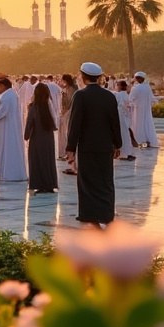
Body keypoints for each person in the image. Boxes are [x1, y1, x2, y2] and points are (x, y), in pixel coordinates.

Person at [65, 62, 122, 228]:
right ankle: (106, 214)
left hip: (87, 147)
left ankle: (90, 215)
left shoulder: (81, 96)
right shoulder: (109, 96)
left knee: (87, 182)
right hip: (105, 147)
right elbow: (115, 123)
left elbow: (75, 124)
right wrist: (117, 144)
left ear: (83, 76)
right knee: (105, 182)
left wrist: (70, 148)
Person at [0, 77, 28, 182]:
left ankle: (8, 174)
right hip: (12, 127)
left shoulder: (5, 97)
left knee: (6, 149)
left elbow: (0, 113)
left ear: (3, 86)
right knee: (13, 148)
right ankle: (15, 173)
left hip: (6, 128)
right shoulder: (13, 94)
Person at [25, 82, 58, 193]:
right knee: (48, 160)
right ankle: (50, 183)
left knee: (37, 160)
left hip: (37, 138)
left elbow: (29, 123)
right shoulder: (48, 106)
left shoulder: (34, 107)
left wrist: (26, 135)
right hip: (48, 138)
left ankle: (39, 184)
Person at [130, 72, 160, 148]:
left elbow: (130, 99)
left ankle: (139, 140)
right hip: (146, 110)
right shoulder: (147, 87)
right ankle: (148, 140)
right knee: (147, 124)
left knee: (138, 124)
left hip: (137, 110)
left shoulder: (135, 88)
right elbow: (152, 98)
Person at [114, 80, 137, 160]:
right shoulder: (127, 95)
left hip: (120, 118)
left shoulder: (118, 95)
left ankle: (123, 154)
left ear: (120, 86)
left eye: (117, 85)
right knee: (126, 136)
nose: (117, 87)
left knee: (122, 136)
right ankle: (128, 153)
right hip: (126, 118)